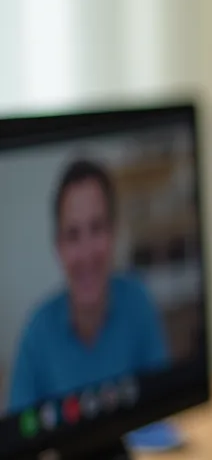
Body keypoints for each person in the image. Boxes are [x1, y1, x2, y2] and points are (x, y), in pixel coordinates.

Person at [6, 159, 170, 413]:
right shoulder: (36, 332)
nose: (87, 254)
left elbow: (163, 410)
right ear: (58, 247)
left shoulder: (139, 302)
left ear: (114, 233)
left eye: (97, 228)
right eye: (73, 235)